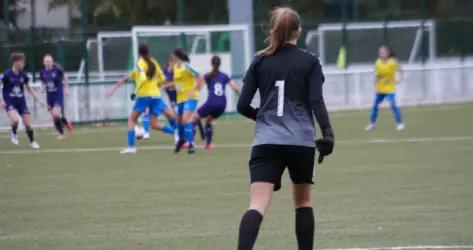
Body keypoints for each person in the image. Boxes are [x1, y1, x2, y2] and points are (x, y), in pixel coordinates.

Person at [236, 7, 334, 250]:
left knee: (257, 205)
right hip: (301, 141)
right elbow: (316, 101)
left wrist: (263, 117)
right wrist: (328, 134)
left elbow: (241, 105)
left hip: (266, 141)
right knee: (303, 202)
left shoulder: (260, 60)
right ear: (299, 31)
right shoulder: (311, 61)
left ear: (273, 31)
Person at [107, 43, 177, 154]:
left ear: (139, 53)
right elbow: (163, 78)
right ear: (148, 52)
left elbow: (142, 79)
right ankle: (178, 134)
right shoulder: (153, 61)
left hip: (144, 96)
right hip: (156, 95)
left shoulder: (140, 63)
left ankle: (132, 147)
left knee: (131, 119)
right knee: (153, 124)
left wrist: (134, 91)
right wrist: (157, 83)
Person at [192, 55, 240, 149]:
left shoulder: (207, 76)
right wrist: (242, 96)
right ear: (219, 64)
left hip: (212, 102)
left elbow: (198, 88)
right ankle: (208, 144)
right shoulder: (224, 76)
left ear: (211, 64)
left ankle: (190, 142)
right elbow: (235, 88)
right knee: (208, 120)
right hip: (222, 104)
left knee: (193, 118)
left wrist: (198, 80)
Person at [0, 52, 45, 149]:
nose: (23, 64)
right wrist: (1, 100)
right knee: (16, 120)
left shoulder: (23, 76)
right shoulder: (7, 74)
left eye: (23, 62)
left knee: (28, 124)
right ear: (15, 62)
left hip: (21, 102)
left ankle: (32, 141)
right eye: (21, 62)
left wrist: (39, 100)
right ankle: (13, 132)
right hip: (9, 101)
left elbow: (29, 89)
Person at [166, 48, 204, 154]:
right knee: (178, 121)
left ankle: (190, 144)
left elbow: (200, 76)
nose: (171, 58)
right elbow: (177, 82)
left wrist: (193, 89)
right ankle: (182, 140)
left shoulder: (186, 66)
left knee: (185, 119)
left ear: (176, 56)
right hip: (180, 98)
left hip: (190, 97)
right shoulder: (176, 68)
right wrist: (166, 86)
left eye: (172, 56)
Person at [365, 46, 405, 131]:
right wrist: (375, 86)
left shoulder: (392, 62)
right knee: (375, 106)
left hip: (390, 89)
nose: (381, 54)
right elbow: (377, 75)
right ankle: (372, 124)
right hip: (380, 89)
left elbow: (400, 69)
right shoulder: (378, 62)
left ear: (388, 53)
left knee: (393, 105)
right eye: (380, 52)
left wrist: (400, 79)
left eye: (383, 52)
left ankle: (400, 124)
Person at [39, 54, 73, 140]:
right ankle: (65, 122)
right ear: (44, 62)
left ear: (52, 62)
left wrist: (66, 88)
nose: (48, 63)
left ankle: (61, 133)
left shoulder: (57, 70)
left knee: (55, 113)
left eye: (50, 61)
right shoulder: (42, 72)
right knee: (54, 117)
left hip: (58, 94)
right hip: (49, 96)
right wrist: (42, 87)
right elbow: (42, 81)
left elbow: (65, 77)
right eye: (46, 61)